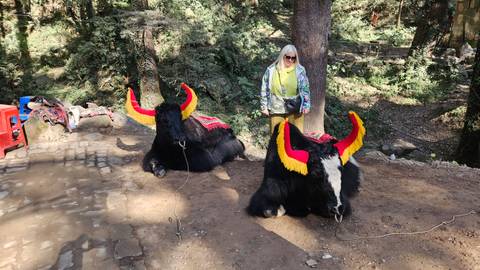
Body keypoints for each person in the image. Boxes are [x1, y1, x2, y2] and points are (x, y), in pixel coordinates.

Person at [260, 44, 311, 134]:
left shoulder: (300, 70)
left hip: (295, 107)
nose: (290, 60)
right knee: (276, 136)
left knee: (296, 137)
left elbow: (305, 89)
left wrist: (306, 105)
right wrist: (264, 106)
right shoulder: (271, 70)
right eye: (288, 57)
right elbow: (264, 88)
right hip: (276, 107)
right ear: (282, 56)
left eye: (293, 58)